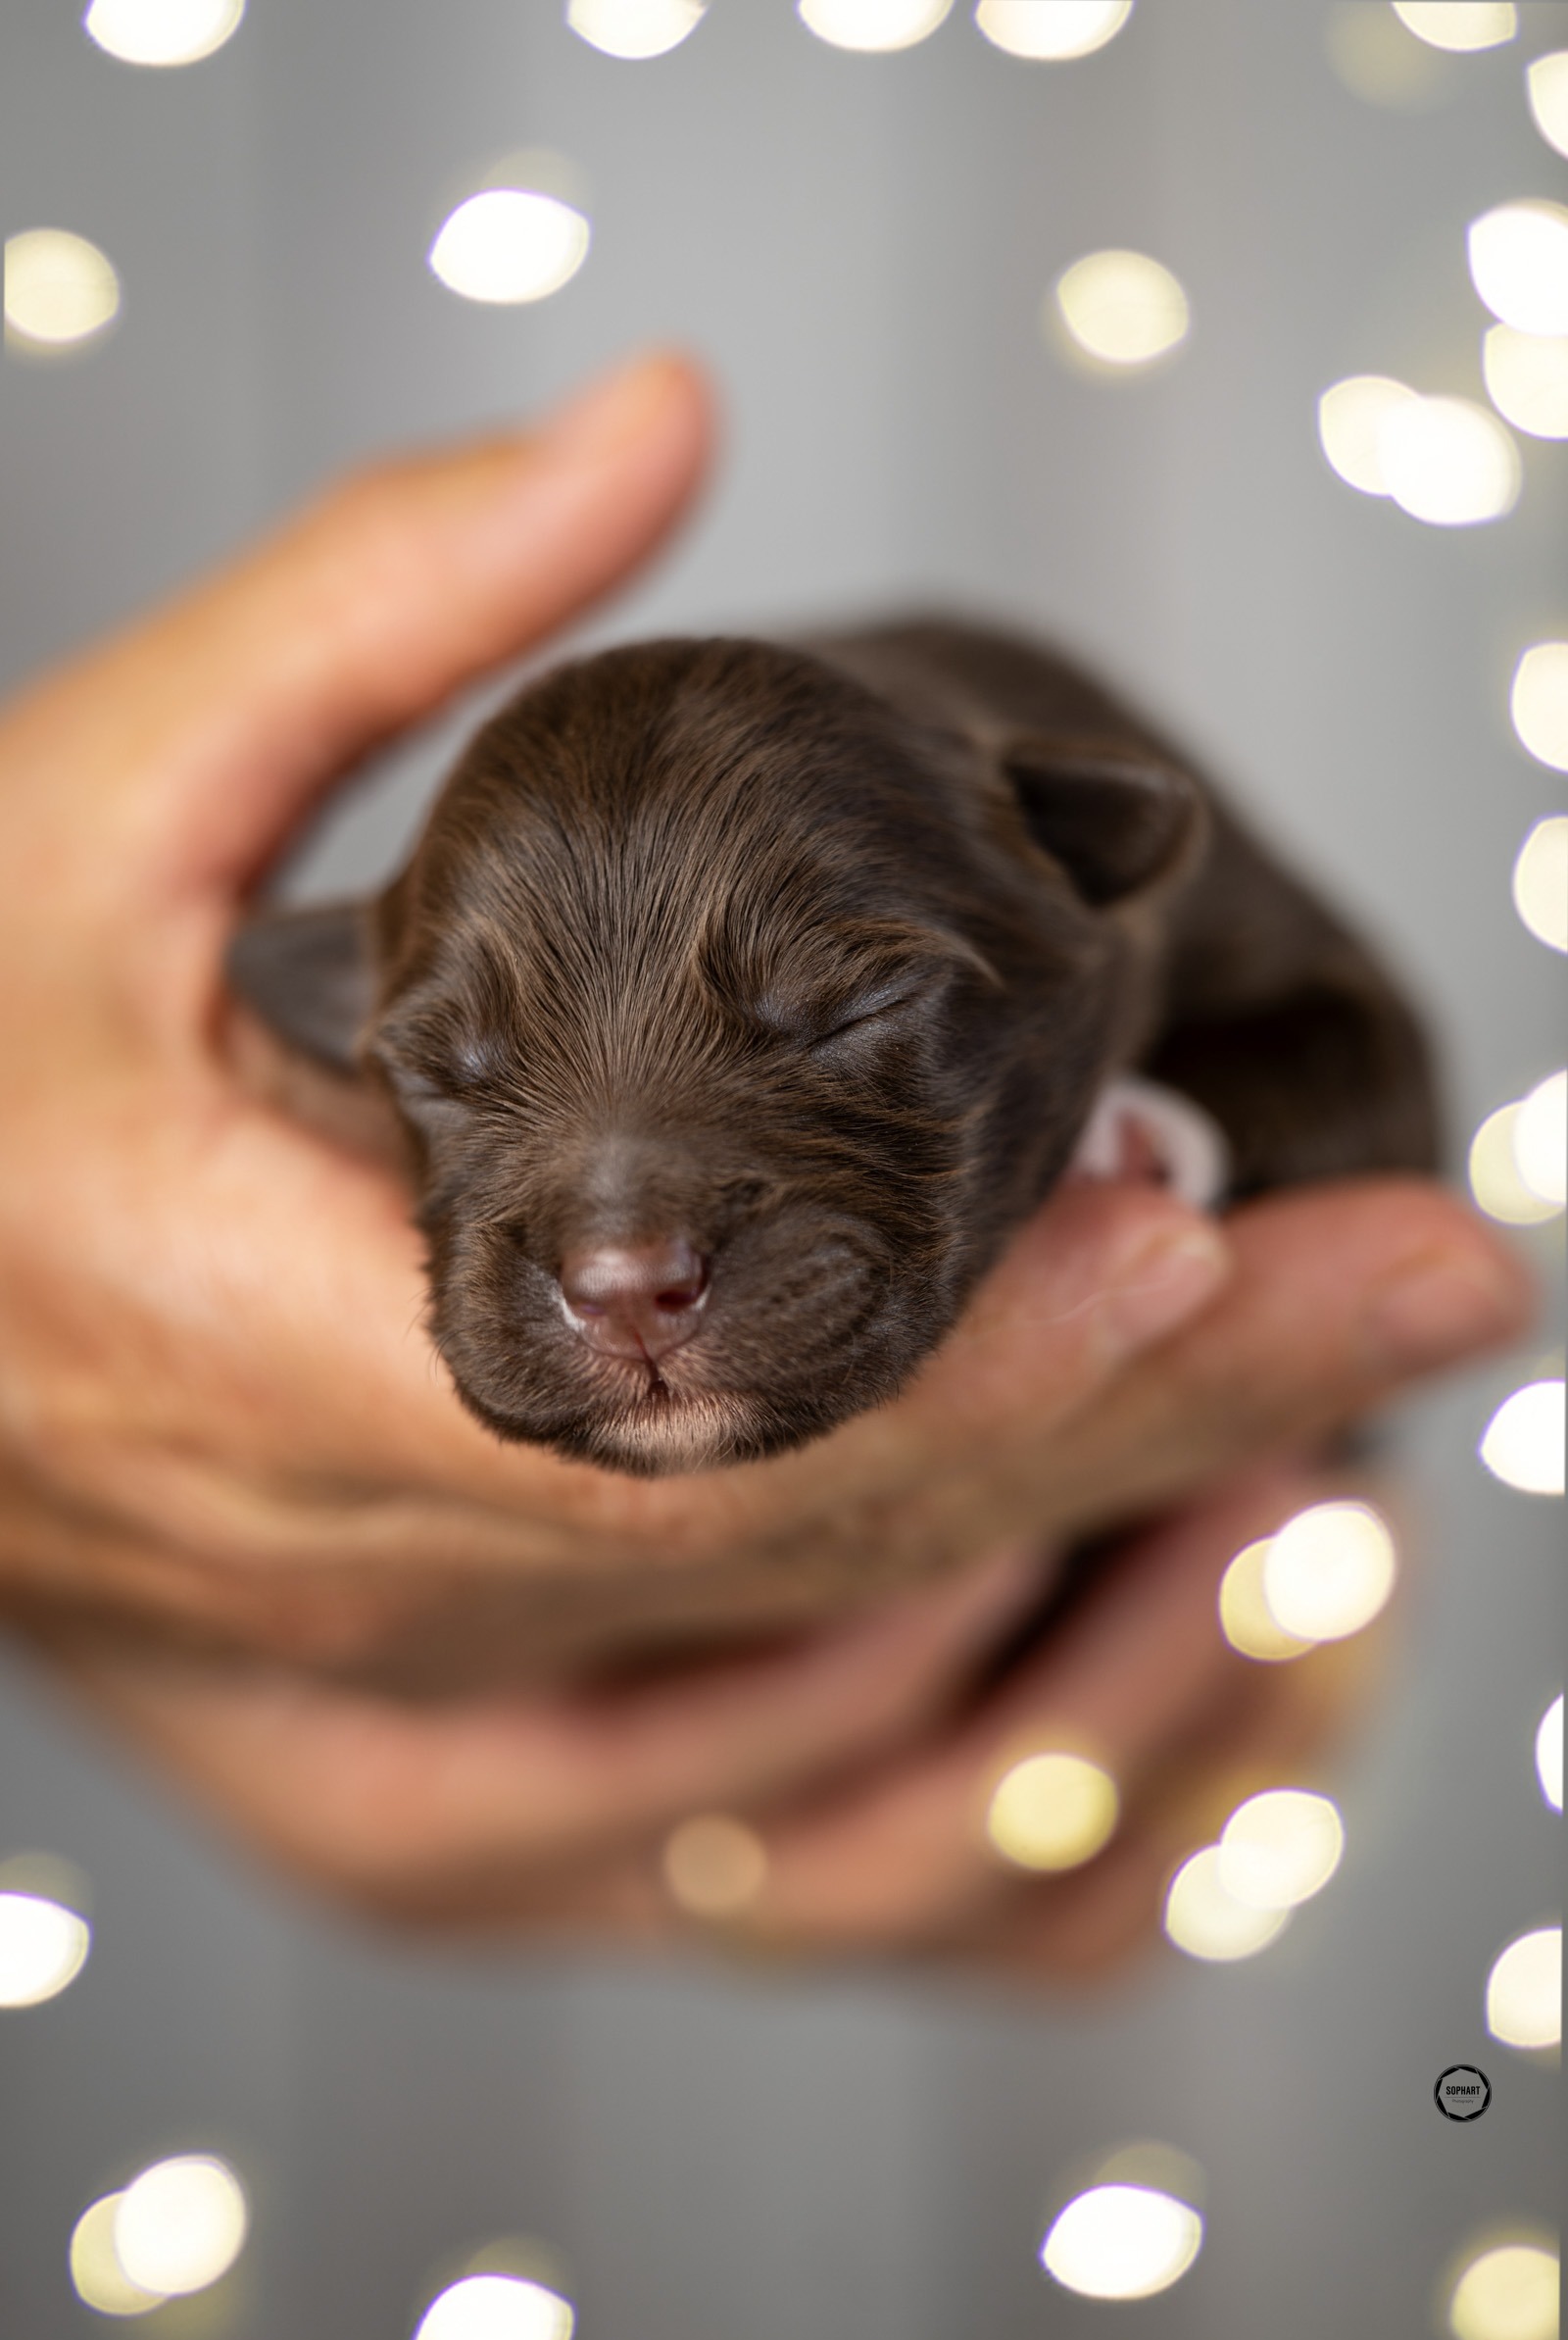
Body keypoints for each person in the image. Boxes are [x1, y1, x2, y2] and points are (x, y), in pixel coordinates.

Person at [0, 352, 1530, 1973]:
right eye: (453, 1073)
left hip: (1180, 1631)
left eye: (855, 1009)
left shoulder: (1052, 773)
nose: (620, 1264)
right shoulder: (344, 1042)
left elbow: (1351, 1058)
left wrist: (1197, 1147)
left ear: (1083, 874)